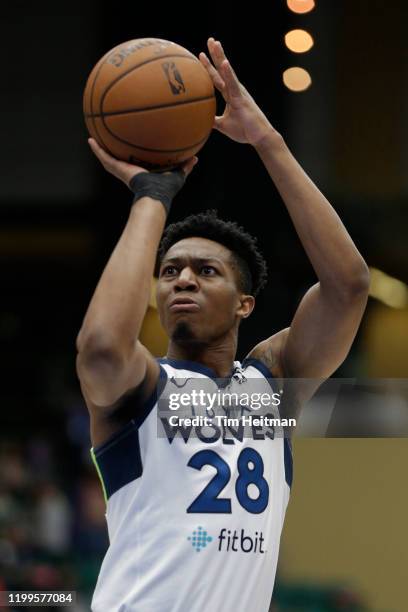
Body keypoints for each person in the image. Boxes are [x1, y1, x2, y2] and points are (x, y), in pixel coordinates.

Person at [76, 37, 370, 612]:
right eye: (169, 270)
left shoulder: (273, 383)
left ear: (245, 304)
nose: (182, 279)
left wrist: (268, 142)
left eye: (205, 270)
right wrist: (151, 198)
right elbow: (102, 347)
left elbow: (348, 286)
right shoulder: (142, 392)